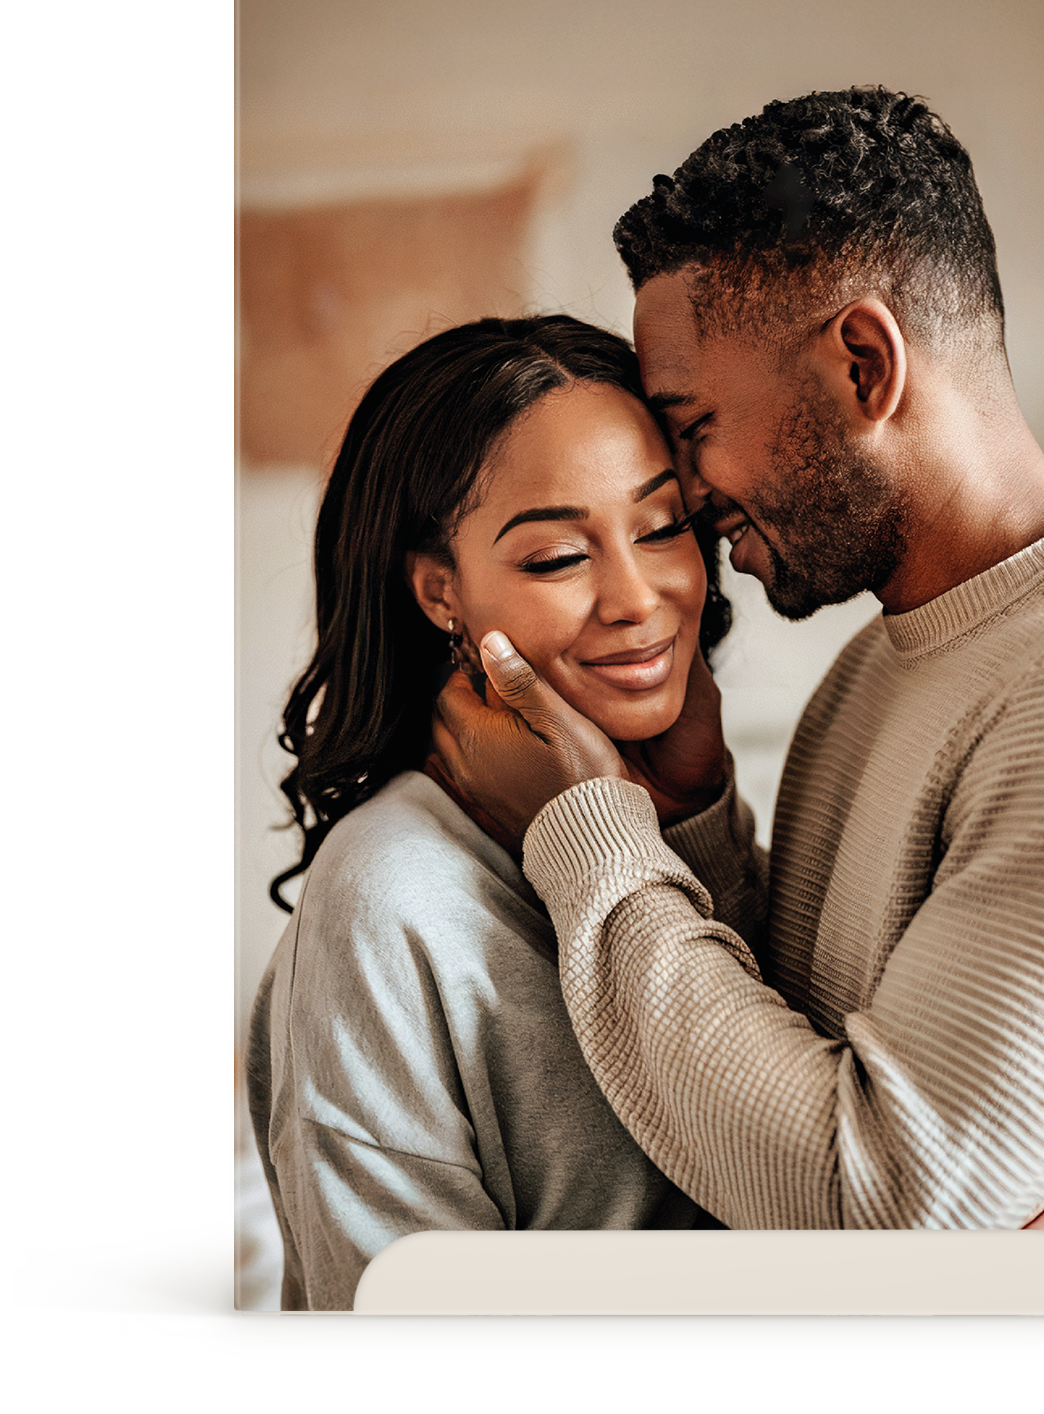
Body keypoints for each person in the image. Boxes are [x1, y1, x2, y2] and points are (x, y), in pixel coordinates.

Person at [431, 89, 1044, 1311]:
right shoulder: (881, 665)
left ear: (864, 364)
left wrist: (585, 828)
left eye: (694, 425)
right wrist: (695, 815)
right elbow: (794, 1063)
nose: (685, 491)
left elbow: (875, 1206)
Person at [246, 317, 730, 1310]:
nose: (636, 596)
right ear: (441, 593)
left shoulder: (676, 809)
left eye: (662, 524)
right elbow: (405, 1340)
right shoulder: (391, 895)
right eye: (557, 556)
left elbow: (762, 1150)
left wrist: (694, 824)